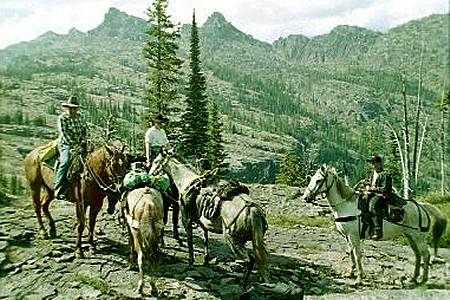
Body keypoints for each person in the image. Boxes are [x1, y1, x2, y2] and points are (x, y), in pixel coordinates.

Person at [54, 95, 88, 200]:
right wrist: (74, 145)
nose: (72, 110)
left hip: (80, 144)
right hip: (66, 144)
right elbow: (65, 134)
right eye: (70, 108)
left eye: (74, 108)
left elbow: (85, 129)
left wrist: (84, 141)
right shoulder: (62, 118)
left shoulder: (81, 117)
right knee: (65, 161)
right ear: (67, 108)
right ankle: (58, 187)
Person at [364, 155, 392, 240]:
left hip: (383, 195)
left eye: (374, 163)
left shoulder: (385, 174)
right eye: (371, 163)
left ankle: (378, 230)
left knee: (373, 205)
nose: (372, 165)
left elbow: (385, 188)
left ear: (379, 163)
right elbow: (369, 182)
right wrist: (367, 185)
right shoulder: (373, 174)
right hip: (373, 194)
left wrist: (372, 189)